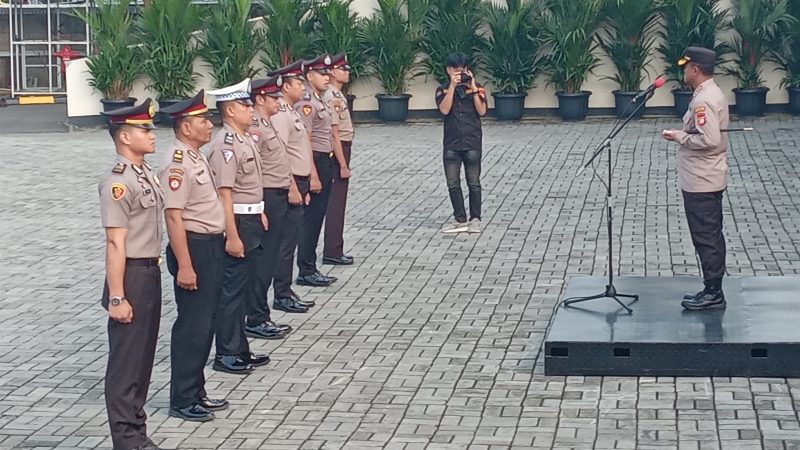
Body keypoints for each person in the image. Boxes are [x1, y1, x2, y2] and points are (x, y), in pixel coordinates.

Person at [98, 99, 166, 450]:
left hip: (149, 272)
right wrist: (117, 295)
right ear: (124, 136)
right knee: (126, 365)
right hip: (131, 277)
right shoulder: (118, 183)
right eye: (144, 130)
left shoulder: (145, 174)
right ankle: (126, 440)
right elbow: (114, 242)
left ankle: (137, 434)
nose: (151, 135)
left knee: (142, 360)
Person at [158, 91, 229, 422]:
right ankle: (182, 398)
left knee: (207, 322)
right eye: (203, 120)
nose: (209, 124)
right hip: (194, 248)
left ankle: (196, 390)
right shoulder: (177, 164)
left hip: (210, 245)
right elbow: (173, 217)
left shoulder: (197, 157)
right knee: (193, 325)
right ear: (186, 127)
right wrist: (184, 265)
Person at [207, 78, 271, 374]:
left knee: (243, 289)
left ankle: (240, 347)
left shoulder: (244, 139)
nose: (251, 111)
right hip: (238, 223)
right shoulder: (226, 145)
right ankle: (226, 353)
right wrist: (231, 234)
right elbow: (225, 192)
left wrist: (260, 212)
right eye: (245, 106)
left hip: (251, 218)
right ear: (231, 110)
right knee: (232, 291)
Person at [662, 46, 729, 311]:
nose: (684, 71)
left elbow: (709, 139)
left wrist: (679, 136)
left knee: (706, 236)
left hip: (703, 179)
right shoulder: (707, 92)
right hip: (705, 176)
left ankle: (714, 292)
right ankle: (712, 288)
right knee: (708, 233)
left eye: (686, 67)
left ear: (696, 69)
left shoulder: (703, 100)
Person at [246, 74, 309, 342]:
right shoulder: (256, 129)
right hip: (268, 196)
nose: (277, 101)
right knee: (263, 260)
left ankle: (261, 314)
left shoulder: (268, 124)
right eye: (273, 97)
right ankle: (256, 317)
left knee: (271, 257)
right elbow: (253, 171)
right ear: (260, 99)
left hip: (279, 193)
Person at [268, 60, 318, 308]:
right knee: (285, 243)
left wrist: (306, 182)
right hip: (290, 182)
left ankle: (286, 290)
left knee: (291, 240)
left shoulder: (291, 111)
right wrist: (292, 186)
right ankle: (281, 294)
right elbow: (281, 153)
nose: (303, 87)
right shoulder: (280, 115)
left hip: (299, 181)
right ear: (285, 86)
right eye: (299, 83)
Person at [294, 54, 338, 287]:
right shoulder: (308, 104)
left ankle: (310, 265)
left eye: (328, 74)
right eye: (322, 74)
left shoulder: (320, 99)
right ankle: (306, 269)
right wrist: (312, 174)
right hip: (316, 161)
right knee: (310, 220)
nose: (327, 78)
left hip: (325, 160)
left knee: (318, 217)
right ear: (309, 76)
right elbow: (306, 140)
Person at [435, 52, 488, 234]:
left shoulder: (477, 87)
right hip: (452, 143)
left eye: (463, 70)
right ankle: (460, 218)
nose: (460, 73)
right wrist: (452, 85)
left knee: (473, 182)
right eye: (455, 70)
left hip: (472, 141)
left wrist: (472, 86)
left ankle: (475, 219)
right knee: (452, 183)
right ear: (448, 70)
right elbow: (444, 109)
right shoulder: (442, 89)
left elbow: (482, 111)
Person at [322, 53, 354, 266]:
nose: (347, 72)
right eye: (343, 69)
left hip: (343, 146)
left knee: (338, 202)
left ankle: (335, 248)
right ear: (333, 72)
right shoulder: (331, 96)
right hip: (338, 149)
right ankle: (332, 250)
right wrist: (343, 164)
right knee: (336, 203)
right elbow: (334, 133)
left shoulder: (338, 95)